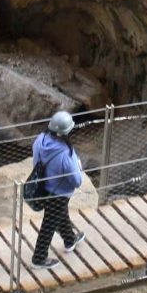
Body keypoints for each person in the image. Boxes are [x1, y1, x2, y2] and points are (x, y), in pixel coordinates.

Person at [30, 111, 87, 270]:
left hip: (43, 187)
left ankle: (70, 240)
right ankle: (39, 258)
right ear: (66, 132)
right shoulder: (65, 154)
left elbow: (36, 163)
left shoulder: (40, 140)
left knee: (59, 214)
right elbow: (77, 180)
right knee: (49, 223)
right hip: (59, 193)